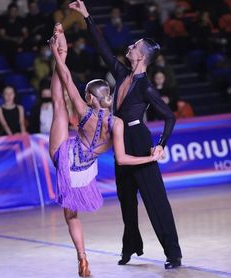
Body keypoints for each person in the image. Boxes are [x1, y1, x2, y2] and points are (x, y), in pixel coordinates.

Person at [70, 0, 182, 269]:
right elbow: (103, 49)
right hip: (121, 140)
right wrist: (87, 16)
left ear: (141, 56)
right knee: (127, 202)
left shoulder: (146, 88)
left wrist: (160, 144)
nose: (129, 48)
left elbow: (169, 116)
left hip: (140, 142)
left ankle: (173, 254)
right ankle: (131, 245)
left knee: (156, 201)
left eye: (134, 47)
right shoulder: (122, 74)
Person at [49, 23, 156, 277]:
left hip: (67, 158)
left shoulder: (84, 111)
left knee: (58, 105)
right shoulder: (117, 122)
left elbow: (65, 78)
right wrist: (148, 157)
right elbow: (121, 159)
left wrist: (57, 54)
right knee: (73, 216)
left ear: (89, 97)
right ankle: (82, 261)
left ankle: (83, 257)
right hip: (85, 172)